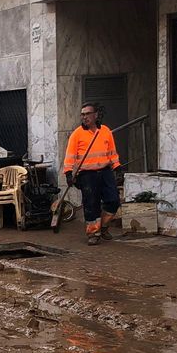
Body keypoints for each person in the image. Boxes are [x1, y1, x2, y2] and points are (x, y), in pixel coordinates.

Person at [64, 102, 121, 246]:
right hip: (87, 175)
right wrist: (69, 173)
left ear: (95, 115)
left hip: (106, 172)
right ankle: (93, 233)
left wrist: (117, 167)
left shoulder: (106, 131)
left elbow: (112, 153)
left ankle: (103, 226)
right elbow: (70, 155)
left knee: (113, 200)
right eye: (82, 114)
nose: (84, 117)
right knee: (91, 204)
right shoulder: (77, 134)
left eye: (87, 114)